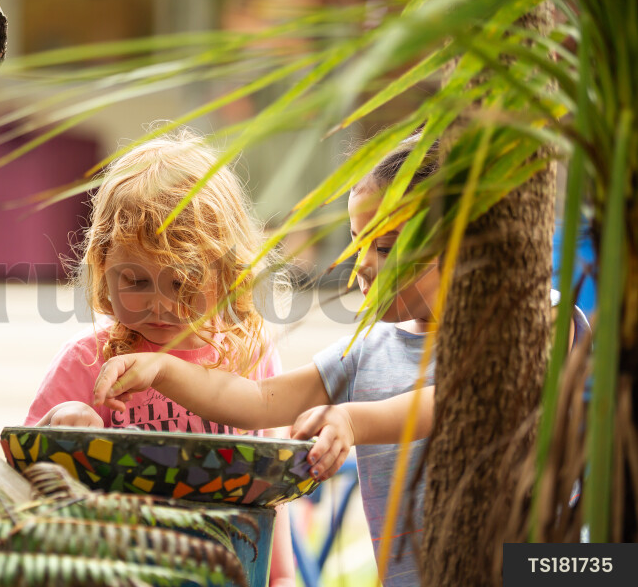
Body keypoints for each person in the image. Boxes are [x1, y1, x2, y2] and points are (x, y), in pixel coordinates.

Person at [92, 135, 590, 587]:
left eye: (386, 246)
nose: (363, 264)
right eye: (357, 243)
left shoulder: (534, 317)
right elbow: (254, 400)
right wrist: (164, 370)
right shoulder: (365, 353)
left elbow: (473, 397)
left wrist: (352, 419)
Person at [24, 128, 296, 586]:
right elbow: (22, 490)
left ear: (229, 273)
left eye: (183, 283)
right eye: (136, 281)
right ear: (102, 266)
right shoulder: (87, 362)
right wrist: (63, 427)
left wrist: (283, 578)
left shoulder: (250, 357)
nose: (162, 304)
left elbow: (270, 492)